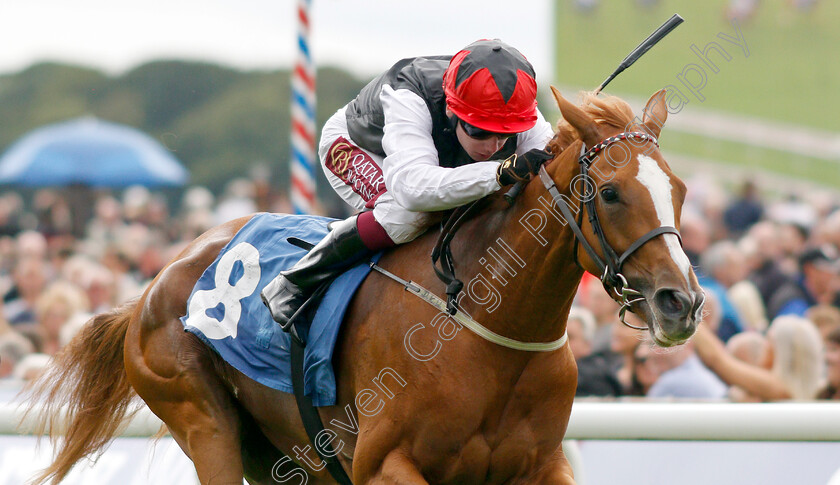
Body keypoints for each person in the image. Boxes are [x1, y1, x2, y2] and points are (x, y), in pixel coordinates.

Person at [261, 39, 555, 329]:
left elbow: (550, 170)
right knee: (405, 215)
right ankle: (295, 281)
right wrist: (498, 172)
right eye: (480, 130)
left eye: (505, 135)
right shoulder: (409, 97)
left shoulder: (520, 110)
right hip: (357, 146)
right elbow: (412, 188)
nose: (493, 145)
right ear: (452, 110)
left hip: (430, 161)